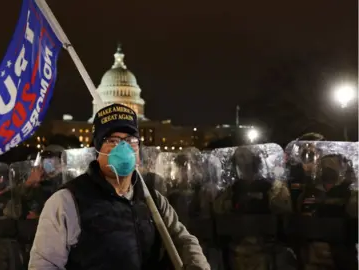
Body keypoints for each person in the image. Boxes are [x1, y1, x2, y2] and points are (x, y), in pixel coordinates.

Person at [29, 103, 210, 270]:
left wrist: (196, 264)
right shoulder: (67, 202)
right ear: (97, 150)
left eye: (131, 140)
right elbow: (44, 265)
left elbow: (183, 239)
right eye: (113, 141)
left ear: (138, 151)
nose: (123, 147)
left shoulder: (152, 199)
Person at [213, 146, 293, 270]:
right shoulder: (232, 189)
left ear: (254, 159)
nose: (243, 161)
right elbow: (218, 210)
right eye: (239, 157)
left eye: (245, 156)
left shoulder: (272, 185)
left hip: (264, 244)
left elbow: (284, 209)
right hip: (238, 245)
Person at [21, 145, 65, 219]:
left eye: (51, 159)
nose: (47, 162)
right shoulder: (38, 182)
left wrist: (39, 217)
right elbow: (20, 201)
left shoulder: (64, 181)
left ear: (61, 162)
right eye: (45, 159)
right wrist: (29, 183)